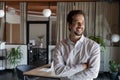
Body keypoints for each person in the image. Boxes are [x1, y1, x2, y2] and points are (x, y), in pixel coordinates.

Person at [52, 10, 100, 80]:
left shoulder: (93, 46)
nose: (80, 25)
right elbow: (58, 71)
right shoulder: (60, 45)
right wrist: (83, 66)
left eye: (82, 22)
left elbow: (93, 73)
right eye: (77, 22)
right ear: (69, 25)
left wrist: (67, 75)